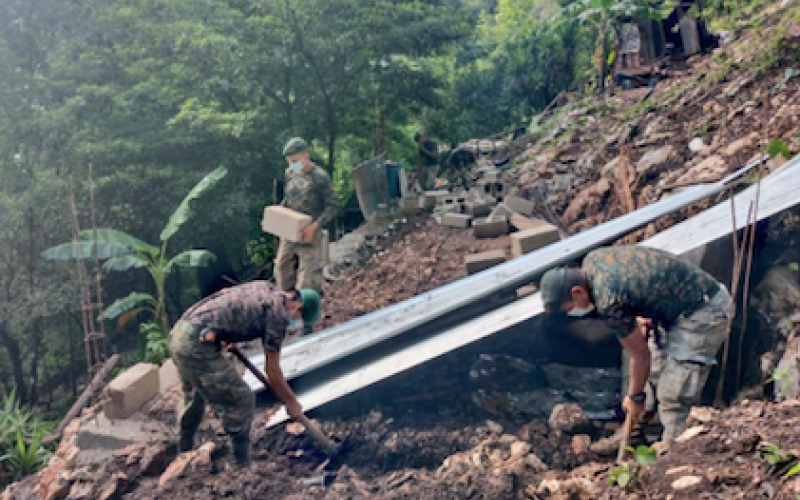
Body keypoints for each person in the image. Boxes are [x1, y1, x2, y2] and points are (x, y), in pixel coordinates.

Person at [539, 246, 731, 446]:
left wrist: (634, 397)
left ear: (577, 292)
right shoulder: (592, 261)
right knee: (653, 376)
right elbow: (633, 281)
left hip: (702, 310)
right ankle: (640, 436)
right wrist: (637, 312)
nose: (573, 312)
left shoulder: (608, 301)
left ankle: (671, 451)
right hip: (670, 311)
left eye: (569, 308)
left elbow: (640, 356)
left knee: (674, 394)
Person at [168, 281, 321, 467]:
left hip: (180, 333)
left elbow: (231, 302)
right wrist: (291, 402)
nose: (296, 322)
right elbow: (272, 370)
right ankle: (239, 465)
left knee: (195, 396)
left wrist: (225, 334)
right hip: (196, 346)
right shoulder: (278, 315)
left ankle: (183, 451)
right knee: (241, 399)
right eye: (300, 317)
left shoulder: (266, 288)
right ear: (298, 306)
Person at [275, 137, 338, 332]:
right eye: (289, 162)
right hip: (290, 230)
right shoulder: (290, 174)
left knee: (308, 278)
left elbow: (333, 206)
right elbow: (287, 199)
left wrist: (316, 226)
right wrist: (278, 215)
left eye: (295, 161)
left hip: (310, 232)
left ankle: (308, 322)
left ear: (306, 156)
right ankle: (289, 314)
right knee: (281, 268)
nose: (292, 165)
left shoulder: (320, 177)